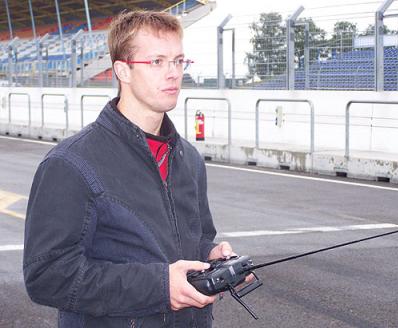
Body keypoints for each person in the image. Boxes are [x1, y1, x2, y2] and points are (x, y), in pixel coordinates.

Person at [23, 10, 238, 328]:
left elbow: (195, 239)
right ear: (122, 70)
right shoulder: (70, 163)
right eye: (157, 62)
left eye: (179, 61)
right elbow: (47, 275)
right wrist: (160, 285)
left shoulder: (188, 158)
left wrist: (210, 255)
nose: (173, 73)